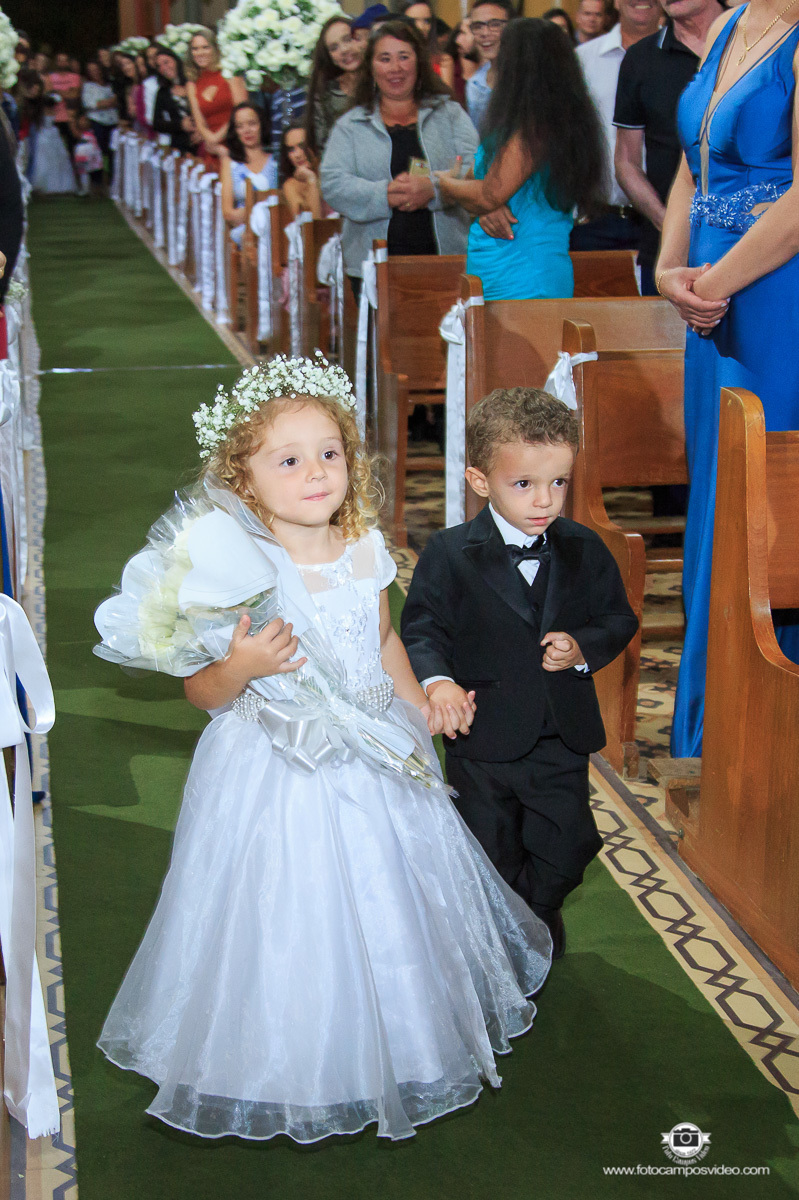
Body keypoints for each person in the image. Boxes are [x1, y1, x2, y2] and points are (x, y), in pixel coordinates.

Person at [94, 356, 552, 1142]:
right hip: (274, 767)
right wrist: (242, 665)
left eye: (329, 453)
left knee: (390, 900)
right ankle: (281, 1057)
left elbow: (381, 641)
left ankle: (402, 1043)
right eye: (288, 460)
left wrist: (418, 705)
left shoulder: (363, 547)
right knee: (285, 911)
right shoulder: (234, 568)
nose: (315, 472)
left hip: (373, 754)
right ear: (241, 479)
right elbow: (202, 692)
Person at [402, 389, 637, 956]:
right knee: (491, 848)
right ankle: (509, 938)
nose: (545, 499)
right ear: (480, 481)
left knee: (568, 843)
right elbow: (423, 629)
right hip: (480, 735)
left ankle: (537, 908)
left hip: (559, 734)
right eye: (524, 484)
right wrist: (439, 683)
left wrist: (580, 647)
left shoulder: (584, 548)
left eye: (558, 482)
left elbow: (618, 618)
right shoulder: (450, 552)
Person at [654, 0, 799, 758]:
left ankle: (760, 736)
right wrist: (668, 267)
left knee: (765, 502)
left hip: (774, 297)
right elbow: (690, 166)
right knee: (714, 494)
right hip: (707, 297)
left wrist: (714, 283)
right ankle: (710, 733)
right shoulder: (726, 25)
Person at [437, 18, 605, 300]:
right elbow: (481, 185)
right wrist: (482, 201)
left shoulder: (536, 127)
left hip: (523, 271)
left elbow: (487, 193)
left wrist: (445, 184)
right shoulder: (525, 121)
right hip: (499, 266)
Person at [320, 19, 479, 297]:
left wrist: (435, 190)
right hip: (372, 267)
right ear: (371, 67)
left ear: (419, 62)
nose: (395, 68)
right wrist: (385, 194)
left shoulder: (451, 114)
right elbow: (333, 183)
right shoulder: (351, 125)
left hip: (448, 261)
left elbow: (475, 167)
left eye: (404, 56)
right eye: (385, 59)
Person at [613, 0, 724, 293]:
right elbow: (625, 162)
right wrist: (669, 225)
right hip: (666, 253)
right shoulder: (641, 58)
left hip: (751, 243)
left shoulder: (753, 45)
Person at [570, 0, 661, 254]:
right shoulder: (583, 59)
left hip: (669, 219)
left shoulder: (689, 57)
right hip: (595, 221)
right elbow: (563, 134)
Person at [304, 16, 364, 160]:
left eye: (348, 39)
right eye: (334, 48)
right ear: (330, 57)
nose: (344, 49)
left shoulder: (387, 81)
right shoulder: (325, 93)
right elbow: (324, 149)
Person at [186, 28, 246, 168]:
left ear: (215, 48)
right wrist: (211, 140)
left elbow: (242, 112)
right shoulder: (192, 84)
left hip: (236, 142)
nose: (200, 53)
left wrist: (217, 138)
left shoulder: (230, 74)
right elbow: (200, 122)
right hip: (211, 149)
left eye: (205, 47)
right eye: (195, 49)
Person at [220, 103, 278, 244]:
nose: (247, 130)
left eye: (252, 124)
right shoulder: (229, 163)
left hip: (275, 230)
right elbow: (228, 213)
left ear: (262, 125)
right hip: (244, 235)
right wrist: (262, 212)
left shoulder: (276, 160)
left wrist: (248, 213)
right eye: (240, 126)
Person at [466, 0, 515, 133]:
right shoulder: (475, 85)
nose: (485, 33)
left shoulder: (530, 77)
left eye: (495, 25)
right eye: (478, 26)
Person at [397, 0, 455, 84]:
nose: (422, 27)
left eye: (427, 21)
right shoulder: (392, 59)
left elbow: (446, 91)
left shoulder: (442, 60)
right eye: (413, 21)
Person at [152, 46, 198, 154]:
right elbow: (157, 123)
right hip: (180, 145)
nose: (164, 68)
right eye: (159, 66)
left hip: (203, 141)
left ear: (176, 60)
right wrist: (180, 125)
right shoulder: (163, 92)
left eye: (166, 62)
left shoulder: (194, 81)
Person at [280, 123, 325, 218]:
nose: (297, 155)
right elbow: (311, 223)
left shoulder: (330, 173)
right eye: (291, 149)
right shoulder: (290, 186)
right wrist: (311, 180)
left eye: (302, 146)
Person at [81, 60, 117, 173]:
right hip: (97, 121)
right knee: (98, 150)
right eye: (91, 70)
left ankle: (111, 175)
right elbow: (89, 104)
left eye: (96, 69)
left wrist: (102, 103)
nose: (94, 72)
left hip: (113, 121)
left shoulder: (110, 84)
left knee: (112, 151)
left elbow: (118, 101)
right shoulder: (88, 86)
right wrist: (109, 102)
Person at [47, 50, 81, 155]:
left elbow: (74, 95)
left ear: (68, 63)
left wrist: (56, 91)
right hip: (54, 117)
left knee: (72, 148)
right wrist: (67, 92)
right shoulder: (50, 77)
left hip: (70, 117)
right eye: (60, 60)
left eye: (64, 61)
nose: (62, 63)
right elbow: (48, 94)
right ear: (56, 62)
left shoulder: (75, 77)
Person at [446, 18, 481, 105]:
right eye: (460, 32)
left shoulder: (491, 72)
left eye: (464, 33)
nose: (458, 39)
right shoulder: (448, 69)